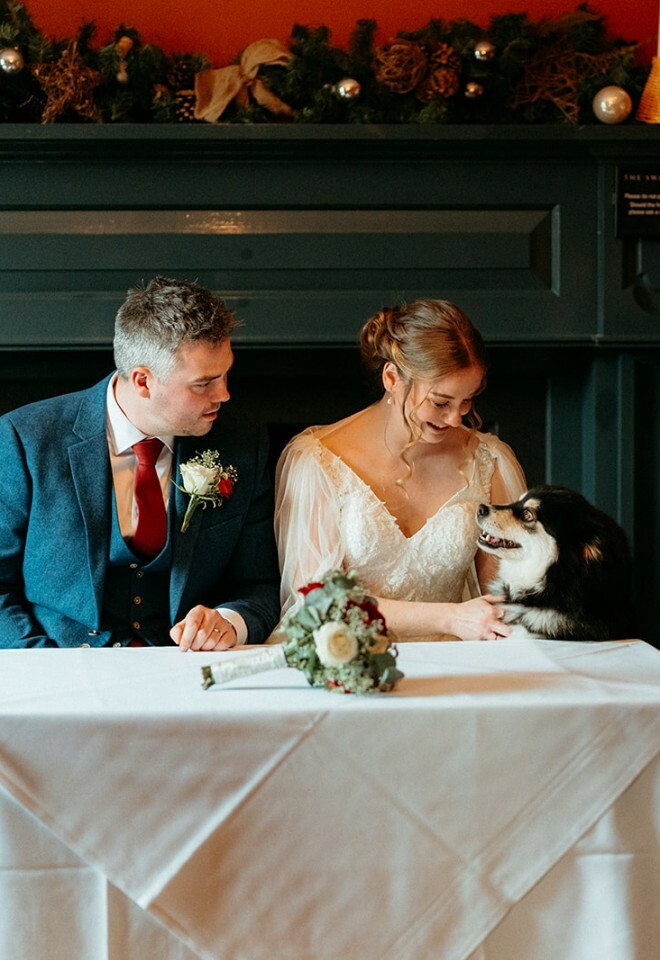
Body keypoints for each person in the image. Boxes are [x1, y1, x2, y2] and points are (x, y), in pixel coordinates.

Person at [0, 276, 280, 649]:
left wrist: (229, 621)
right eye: (203, 383)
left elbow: (261, 584)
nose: (224, 394)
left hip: (186, 675)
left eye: (226, 374)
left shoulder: (244, 444)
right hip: (58, 673)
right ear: (143, 381)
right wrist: (43, 663)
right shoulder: (26, 439)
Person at [274, 299, 526, 642]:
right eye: (440, 402)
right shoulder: (317, 461)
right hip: (347, 661)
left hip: (457, 663)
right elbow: (317, 602)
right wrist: (450, 618)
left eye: (466, 401)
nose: (455, 419)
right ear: (392, 378)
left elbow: (510, 597)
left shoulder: (491, 462)